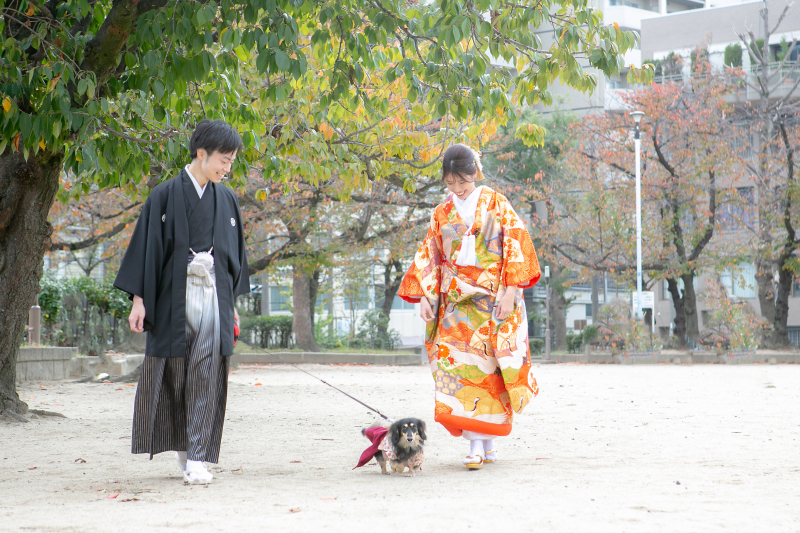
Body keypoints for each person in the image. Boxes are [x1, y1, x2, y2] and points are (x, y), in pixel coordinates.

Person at [114, 119, 250, 484]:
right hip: (172, 296)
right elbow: (147, 250)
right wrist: (139, 300)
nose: (227, 168)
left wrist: (231, 305)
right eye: (223, 160)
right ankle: (185, 451)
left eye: (231, 161)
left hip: (212, 295)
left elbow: (233, 257)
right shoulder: (164, 195)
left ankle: (198, 457)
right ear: (201, 154)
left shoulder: (227, 199)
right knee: (174, 373)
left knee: (206, 372)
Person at [397, 143, 541, 469]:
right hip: (456, 307)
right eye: (450, 183)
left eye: (462, 181)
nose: (457, 189)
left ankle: (482, 442)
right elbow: (430, 256)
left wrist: (511, 293)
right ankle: (480, 443)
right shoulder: (441, 213)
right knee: (462, 373)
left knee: (490, 373)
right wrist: (425, 296)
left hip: (492, 301)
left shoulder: (496, 203)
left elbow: (516, 245)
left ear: (474, 173)